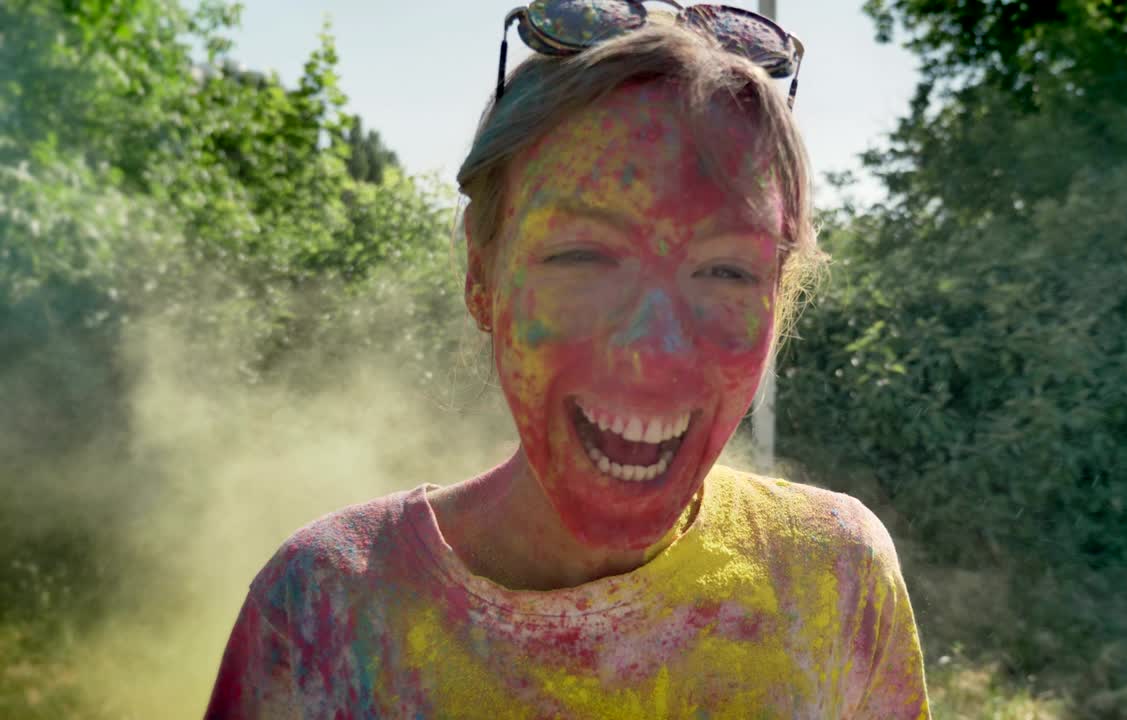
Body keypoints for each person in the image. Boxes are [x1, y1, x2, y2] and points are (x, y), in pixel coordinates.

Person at [205, 3, 930, 718]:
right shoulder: (324, 610)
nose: (656, 352)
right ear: (481, 276)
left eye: (727, 273)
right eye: (583, 257)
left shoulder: (832, 577)